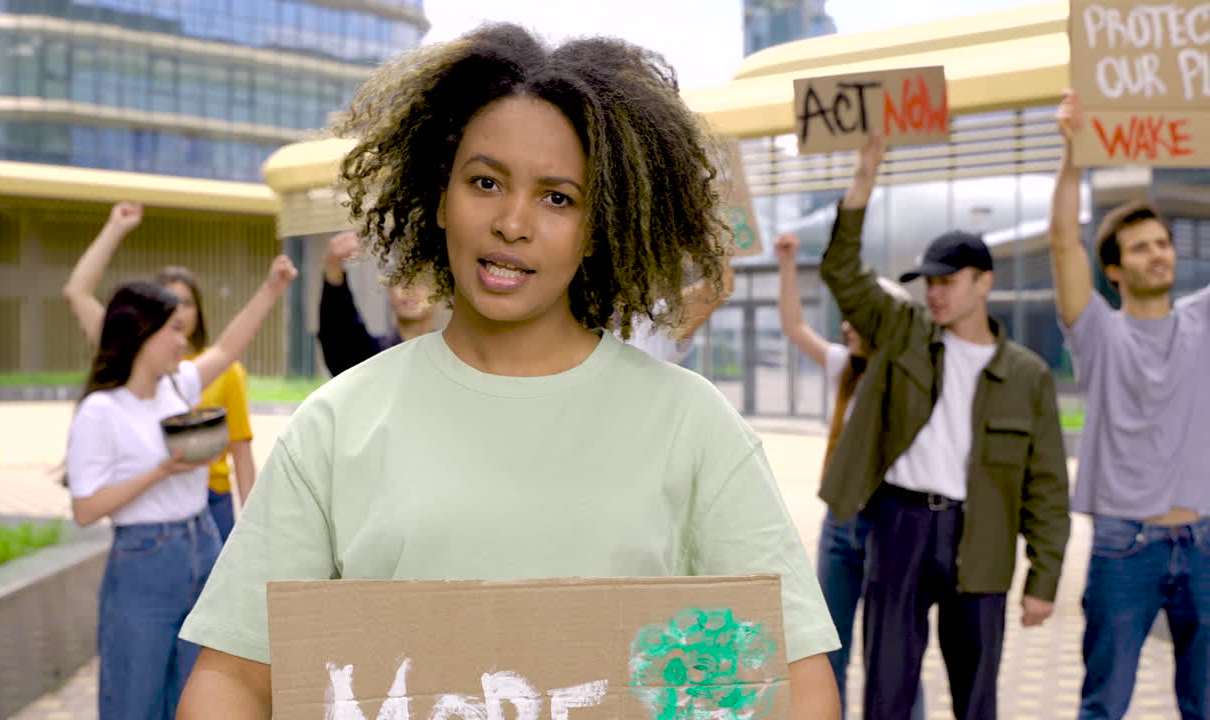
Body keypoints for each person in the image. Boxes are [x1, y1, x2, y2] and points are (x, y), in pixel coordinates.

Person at [176, 24, 841, 720]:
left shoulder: (692, 424)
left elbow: (794, 676)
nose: (513, 222)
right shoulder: (338, 423)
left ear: (598, 228)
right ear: (439, 197)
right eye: (485, 182)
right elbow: (237, 677)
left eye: (558, 197)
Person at [819, 135, 1071, 720]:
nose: (932, 292)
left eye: (946, 280)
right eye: (927, 281)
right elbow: (840, 271)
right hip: (900, 525)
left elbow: (1047, 485)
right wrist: (863, 179)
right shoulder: (901, 329)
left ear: (983, 282)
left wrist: (1045, 578)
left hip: (979, 535)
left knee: (976, 696)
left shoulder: (1028, 375)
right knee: (886, 691)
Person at [65, 257, 296, 720]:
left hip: (203, 544)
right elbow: (86, 508)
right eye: (172, 330)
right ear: (141, 334)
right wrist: (161, 471)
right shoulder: (101, 411)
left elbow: (229, 348)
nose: (183, 340)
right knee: (135, 698)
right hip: (145, 561)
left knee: (197, 696)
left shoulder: (179, 387)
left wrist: (271, 289)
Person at [1051, 90, 1210, 720]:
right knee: (1105, 705)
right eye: (1141, 247)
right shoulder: (1098, 332)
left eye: (1164, 243)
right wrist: (1071, 152)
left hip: (1204, 541)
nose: (1159, 253)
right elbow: (1064, 240)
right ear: (1114, 271)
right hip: (1125, 546)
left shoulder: (1202, 320)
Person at [774, 231, 925, 720]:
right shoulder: (846, 369)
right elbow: (795, 326)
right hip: (842, 525)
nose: (845, 328)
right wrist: (788, 264)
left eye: (857, 319)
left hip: (891, 523)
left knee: (894, 653)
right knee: (826, 646)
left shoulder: (909, 377)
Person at [63, 203, 255, 540]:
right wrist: (115, 228)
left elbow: (241, 448)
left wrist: (254, 522)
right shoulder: (132, 360)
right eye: (170, 303)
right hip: (155, 514)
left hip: (211, 500)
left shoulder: (213, 370)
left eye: (186, 302)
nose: (179, 310)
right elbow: (77, 292)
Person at [317, 230, 436, 376]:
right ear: (389, 291)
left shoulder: (455, 358)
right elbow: (341, 343)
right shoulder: (374, 359)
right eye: (400, 280)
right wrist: (333, 266)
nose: (410, 290)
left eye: (421, 281)